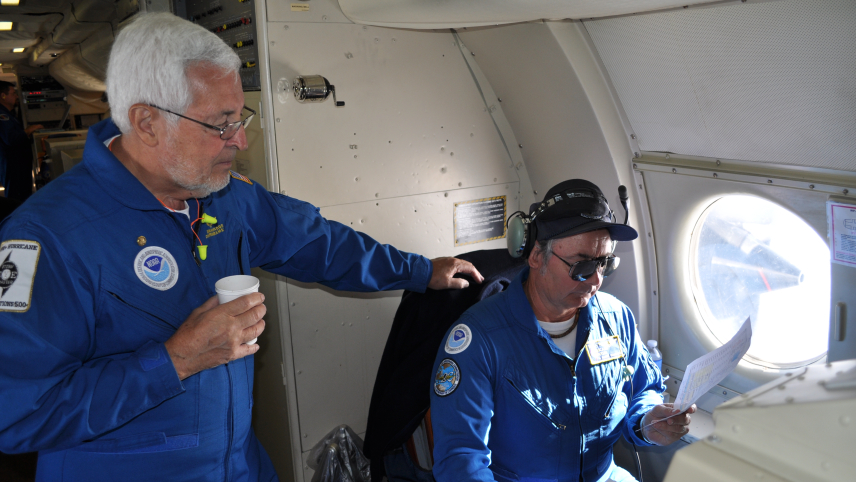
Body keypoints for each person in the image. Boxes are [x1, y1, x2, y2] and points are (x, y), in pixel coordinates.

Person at [0, 13, 482, 482]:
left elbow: (319, 243)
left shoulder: (222, 193)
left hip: (239, 464)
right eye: (221, 124)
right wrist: (174, 361)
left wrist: (420, 271)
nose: (240, 138)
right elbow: (18, 415)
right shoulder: (47, 239)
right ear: (146, 123)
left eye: (240, 116)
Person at [429, 179, 695, 482]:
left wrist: (647, 422)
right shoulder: (479, 340)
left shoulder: (616, 316)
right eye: (581, 266)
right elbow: (461, 460)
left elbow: (643, 390)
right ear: (536, 256)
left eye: (604, 264)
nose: (595, 281)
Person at [0, 81, 42, 202]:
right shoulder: (2, 115)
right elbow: (11, 139)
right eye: (13, 94)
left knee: (22, 197)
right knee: (16, 200)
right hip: (14, 167)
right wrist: (28, 130)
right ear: (3, 96)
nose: (16, 96)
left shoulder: (8, 114)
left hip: (19, 166)